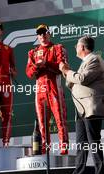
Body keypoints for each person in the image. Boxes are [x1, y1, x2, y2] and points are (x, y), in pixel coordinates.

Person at [60, 36, 104, 174]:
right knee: (81, 143)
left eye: (76, 45)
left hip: (91, 108)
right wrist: (66, 71)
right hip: (81, 109)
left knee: (93, 141)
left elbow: (82, 79)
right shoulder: (86, 61)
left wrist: (67, 71)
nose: (75, 48)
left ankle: (100, 172)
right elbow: (72, 83)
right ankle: (78, 172)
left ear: (82, 47)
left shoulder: (94, 59)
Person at [26, 24, 69, 155]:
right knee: (42, 124)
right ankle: (44, 151)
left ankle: (64, 150)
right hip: (40, 91)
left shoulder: (57, 48)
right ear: (37, 37)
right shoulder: (33, 52)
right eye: (39, 34)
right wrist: (37, 67)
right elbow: (29, 73)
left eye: (44, 33)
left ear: (49, 34)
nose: (42, 36)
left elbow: (62, 68)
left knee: (60, 121)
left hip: (54, 88)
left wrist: (47, 64)